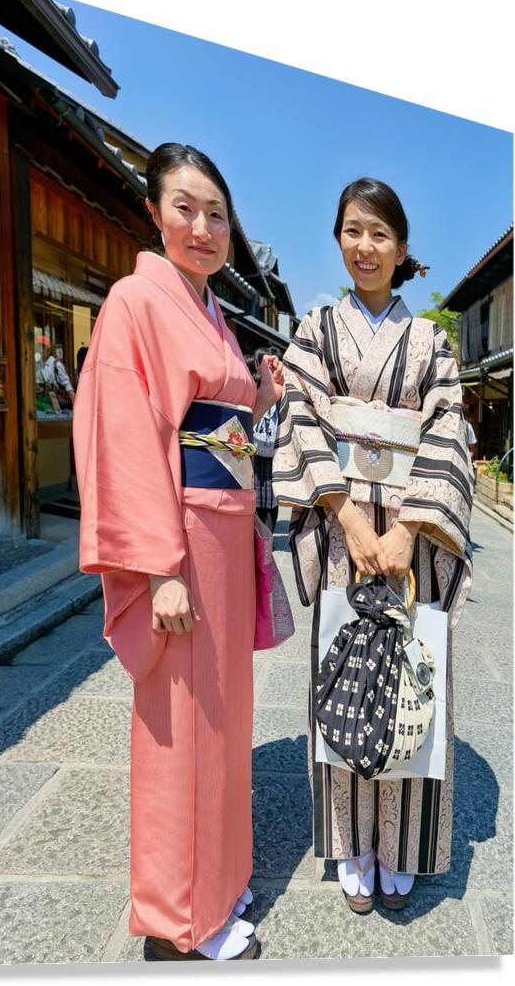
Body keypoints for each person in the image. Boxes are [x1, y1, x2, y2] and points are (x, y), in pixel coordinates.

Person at [73, 143, 283, 960]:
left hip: (224, 536)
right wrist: (157, 566)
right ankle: (178, 918)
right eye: (186, 208)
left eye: (217, 213)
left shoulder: (210, 311)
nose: (202, 226)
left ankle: (220, 883)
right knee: (180, 729)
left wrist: (256, 398)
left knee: (222, 721)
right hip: (182, 541)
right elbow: (128, 438)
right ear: (155, 213)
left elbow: (222, 427)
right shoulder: (135, 299)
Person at [272, 176, 473, 913]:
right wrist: (356, 522)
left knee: (413, 680)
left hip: (410, 543)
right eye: (353, 230)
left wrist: (408, 528)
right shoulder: (317, 329)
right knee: (346, 680)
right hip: (340, 533)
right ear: (338, 237)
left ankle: (402, 843)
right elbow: (298, 413)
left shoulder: (431, 342)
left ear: (402, 248)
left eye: (380, 233)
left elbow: (450, 429)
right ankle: (353, 842)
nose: (365, 245)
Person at [252, 346, 281, 535]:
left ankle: (266, 538)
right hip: (257, 448)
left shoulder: (282, 387)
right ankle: (261, 536)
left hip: (271, 450)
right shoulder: (252, 383)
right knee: (258, 495)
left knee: (271, 496)